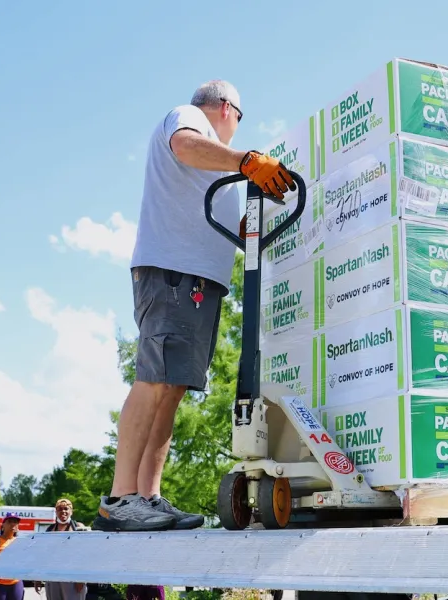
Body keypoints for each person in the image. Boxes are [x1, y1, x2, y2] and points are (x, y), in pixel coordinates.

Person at [96, 79, 296, 532]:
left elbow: (235, 229)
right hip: (171, 274)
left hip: (199, 283)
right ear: (227, 108)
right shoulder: (188, 121)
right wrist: (246, 161)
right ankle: (119, 499)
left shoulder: (220, 173)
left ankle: (147, 496)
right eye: (239, 121)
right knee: (154, 379)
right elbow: (186, 146)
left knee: (173, 387)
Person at [35, 498, 90, 600]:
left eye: (66, 508)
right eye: (60, 509)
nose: (63, 511)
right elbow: (43, 555)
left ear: (71, 511)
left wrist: (81, 578)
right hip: (52, 575)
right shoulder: (49, 530)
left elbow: (85, 553)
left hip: (72, 576)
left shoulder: (78, 527)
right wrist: (38, 577)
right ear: (56, 512)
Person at [0, 513, 24, 600]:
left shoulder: (20, 542)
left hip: (16, 583)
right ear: (3, 525)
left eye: (15, 522)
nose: (13, 524)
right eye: (10, 521)